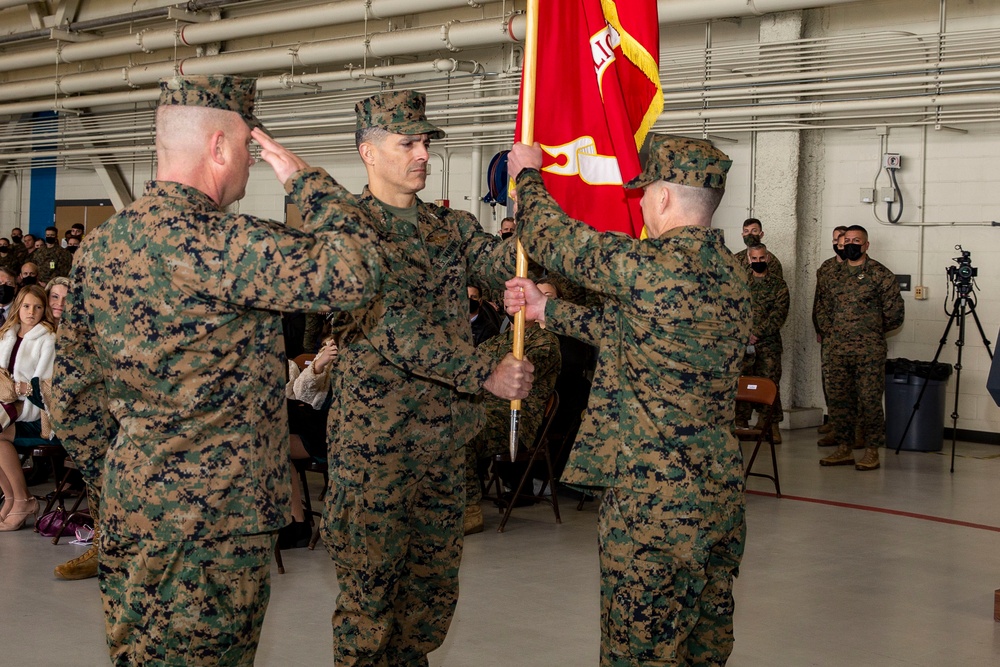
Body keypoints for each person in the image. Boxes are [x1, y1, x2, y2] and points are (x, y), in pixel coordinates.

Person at [51, 74, 382, 666]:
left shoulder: (101, 248)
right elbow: (357, 270)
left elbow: (72, 395)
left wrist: (121, 482)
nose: (252, 166)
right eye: (250, 152)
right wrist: (309, 182)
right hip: (216, 524)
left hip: (132, 508)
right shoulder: (230, 244)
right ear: (220, 148)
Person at [505, 134, 751, 666]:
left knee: (638, 653)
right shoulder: (732, 277)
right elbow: (634, 329)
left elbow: (556, 239)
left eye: (645, 194)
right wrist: (548, 313)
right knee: (703, 651)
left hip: (652, 508)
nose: (641, 204)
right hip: (717, 498)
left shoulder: (650, 266)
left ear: (661, 197)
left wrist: (527, 175)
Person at [321, 89, 532, 666]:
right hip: (376, 450)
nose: (422, 155)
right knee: (369, 604)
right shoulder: (348, 235)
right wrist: (484, 370)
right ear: (368, 151)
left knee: (429, 602)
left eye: (426, 143)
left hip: (442, 447)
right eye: (407, 142)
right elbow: (394, 329)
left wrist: (530, 187)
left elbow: (507, 259)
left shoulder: (450, 228)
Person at [463, 309, 561, 534]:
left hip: (514, 419)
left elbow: (523, 369)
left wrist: (487, 373)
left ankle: (470, 510)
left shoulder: (545, 342)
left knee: (464, 432)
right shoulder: (495, 341)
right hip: (482, 410)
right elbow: (473, 370)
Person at [817, 224, 904, 471]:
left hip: (869, 351)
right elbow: (821, 306)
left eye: (858, 240)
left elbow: (895, 313)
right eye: (848, 241)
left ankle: (872, 451)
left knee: (869, 401)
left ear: (866, 245)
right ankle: (844, 449)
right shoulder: (832, 274)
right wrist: (830, 330)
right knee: (840, 400)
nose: (852, 244)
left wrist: (871, 331)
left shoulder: (880, 274)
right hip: (838, 350)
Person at [0, 285, 57, 531]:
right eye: (26, 306)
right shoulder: (7, 334)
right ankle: (13, 497)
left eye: (37, 307)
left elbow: (44, 387)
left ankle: (22, 499)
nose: (31, 311)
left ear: (44, 310)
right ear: (17, 307)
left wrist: (18, 389)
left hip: (32, 410)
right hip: (5, 401)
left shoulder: (47, 338)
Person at [736, 243, 789, 443]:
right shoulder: (741, 283)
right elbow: (735, 310)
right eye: (754, 259)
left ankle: (771, 425)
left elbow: (779, 314)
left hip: (768, 344)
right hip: (744, 343)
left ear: (767, 258)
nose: (758, 262)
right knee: (743, 383)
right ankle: (741, 423)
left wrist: (756, 333)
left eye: (761, 258)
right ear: (749, 260)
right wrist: (745, 333)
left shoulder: (778, 285)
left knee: (770, 383)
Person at [813, 225, 848, 446]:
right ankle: (835, 422)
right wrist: (820, 328)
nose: (839, 244)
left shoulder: (859, 268)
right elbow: (819, 302)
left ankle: (853, 427)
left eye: (842, 241)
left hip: (852, 337)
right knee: (830, 380)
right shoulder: (826, 267)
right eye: (835, 240)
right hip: (829, 335)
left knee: (851, 385)